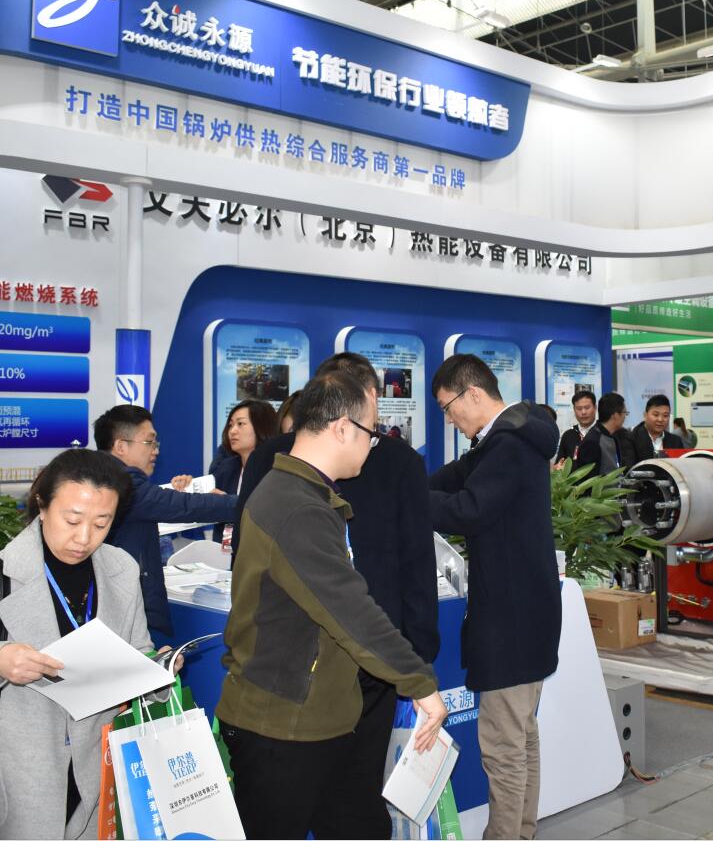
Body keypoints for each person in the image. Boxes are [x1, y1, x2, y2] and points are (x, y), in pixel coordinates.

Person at [218, 370, 447, 840]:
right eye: (371, 432)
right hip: (282, 725)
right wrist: (419, 682)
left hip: (316, 717)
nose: (373, 444)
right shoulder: (297, 507)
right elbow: (349, 610)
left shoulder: (305, 494)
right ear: (343, 428)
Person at [0, 448, 169, 840]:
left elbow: (138, 647)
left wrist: (155, 669)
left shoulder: (121, 569)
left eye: (102, 523)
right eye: (72, 520)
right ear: (42, 505)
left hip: (94, 770)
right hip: (17, 774)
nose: (84, 538)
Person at [429, 354, 561, 841]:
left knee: (503, 746)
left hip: (511, 619)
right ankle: (521, 833)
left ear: (474, 394)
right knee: (522, 737)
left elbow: (470, 509)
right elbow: (456, 476)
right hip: (528, 613)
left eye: (448, 407)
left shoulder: (507, 444)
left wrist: (408, 504)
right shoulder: (506, 438)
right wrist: (402, 485)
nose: (449, 419)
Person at [94, 405, 237, 642]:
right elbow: (181, 506)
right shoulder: (124, 484)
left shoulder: (100, 477)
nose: (156, 450)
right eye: (149, 442)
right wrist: (238, 504)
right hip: (133, 614)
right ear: (120, 446)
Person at [208, 399, 279, 496]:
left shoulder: (276, 473)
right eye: (230, 425)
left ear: (262, 427)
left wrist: (227, 502)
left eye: (240, 423)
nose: (232, 431)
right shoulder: (226, 470)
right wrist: (188, 485)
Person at [575, 391, 635, 478]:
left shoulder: (615, 435)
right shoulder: (592, 442)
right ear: (615, 415)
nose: (625, 417)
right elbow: (588, 480)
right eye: (624, 413)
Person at [630, 394, 683, 459]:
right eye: (656, 415)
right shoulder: (632, 439)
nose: (660, 419)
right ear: (645, 415)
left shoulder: (676, 441)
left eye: (665, 416)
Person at [555, 390, 597, 465]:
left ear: (595, 408)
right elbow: (560, 463)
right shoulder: (568, 435)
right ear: (574, 410)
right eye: (579, 409)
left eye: (587, 407)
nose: (583, 412)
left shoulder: (603, 432)